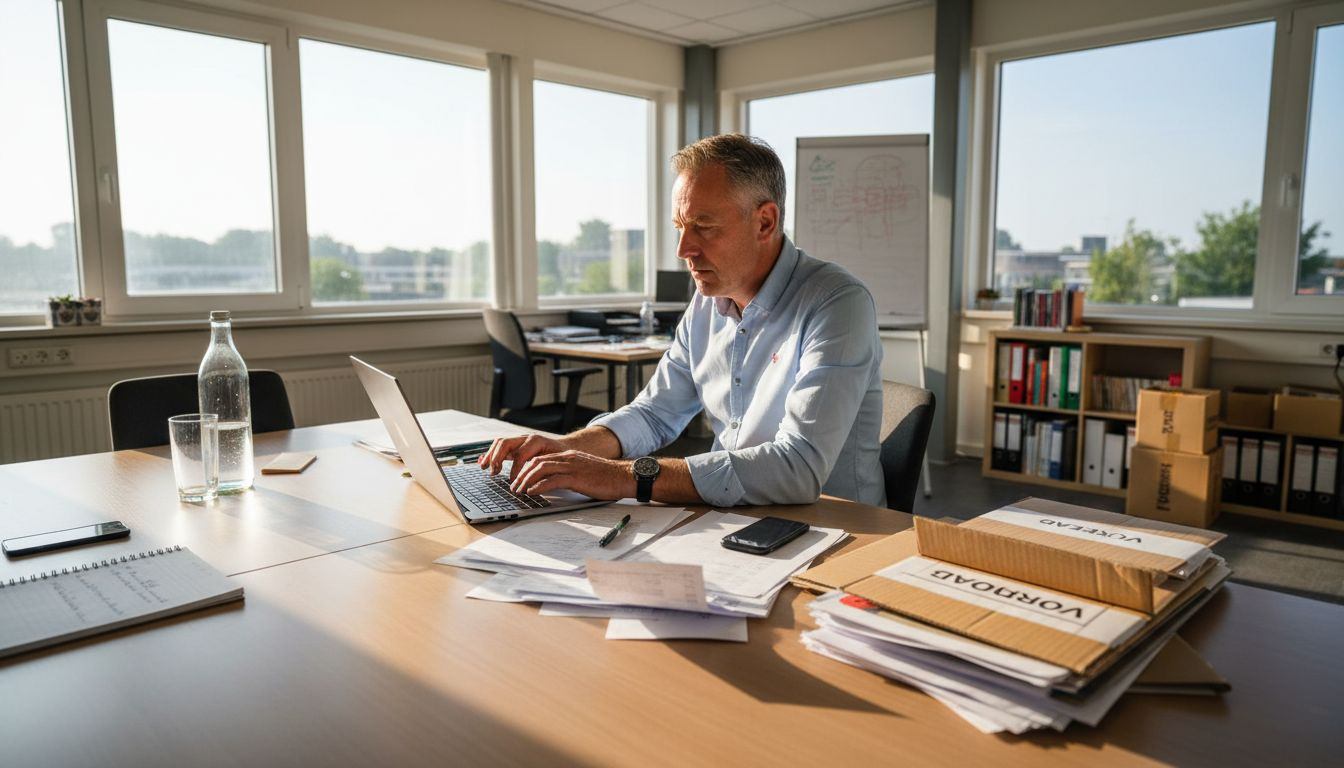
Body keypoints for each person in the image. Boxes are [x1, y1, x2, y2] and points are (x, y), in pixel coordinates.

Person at [480, 133, 885, 507]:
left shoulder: (836, 303)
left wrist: (627, 477)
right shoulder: (708, 302)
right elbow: (655, 413)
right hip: (735, 514)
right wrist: (568, 449)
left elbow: (797, 468)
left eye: (703, 227)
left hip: (838, 527)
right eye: (680, 227)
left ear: (765, 221)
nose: (683, 249)